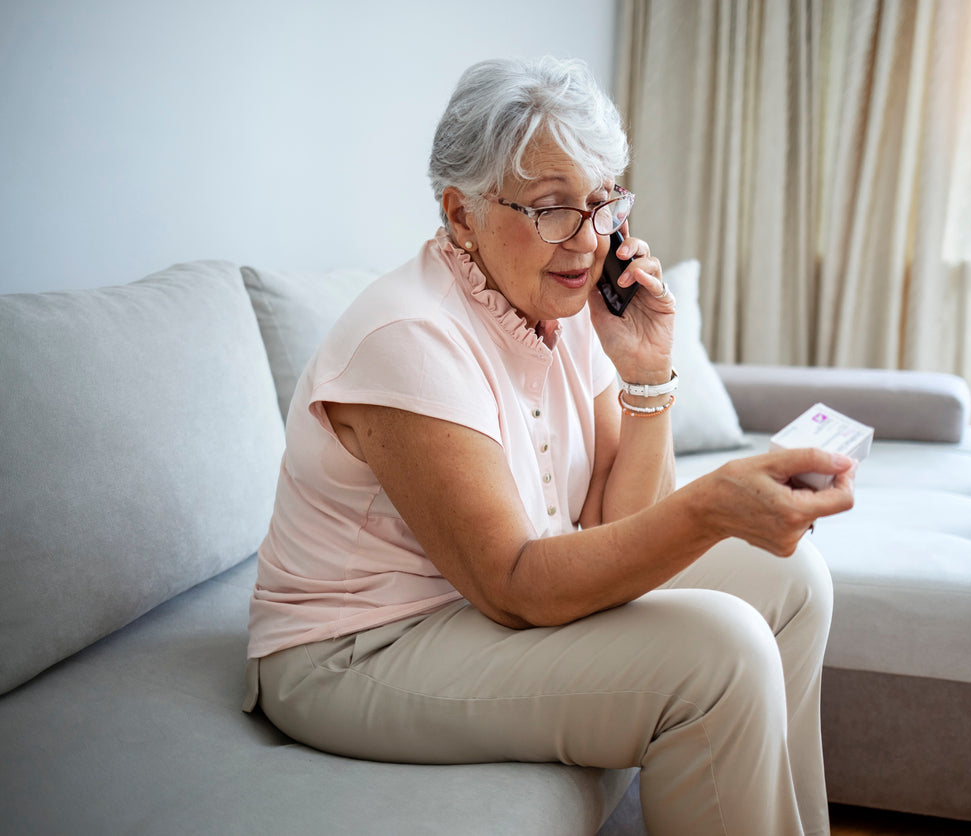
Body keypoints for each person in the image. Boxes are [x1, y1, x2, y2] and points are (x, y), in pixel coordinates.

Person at [245, 56, 856, 836]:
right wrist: (711, 507)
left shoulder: (561, 309)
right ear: (461, 215)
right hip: (359, 648)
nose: (585, 242)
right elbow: (514, 585)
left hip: (479, 609)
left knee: (792, 576)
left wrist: (646, 372)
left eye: (600, 205)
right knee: (720, 653)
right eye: (550, 207)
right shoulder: (408, 336)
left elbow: (616, 525)